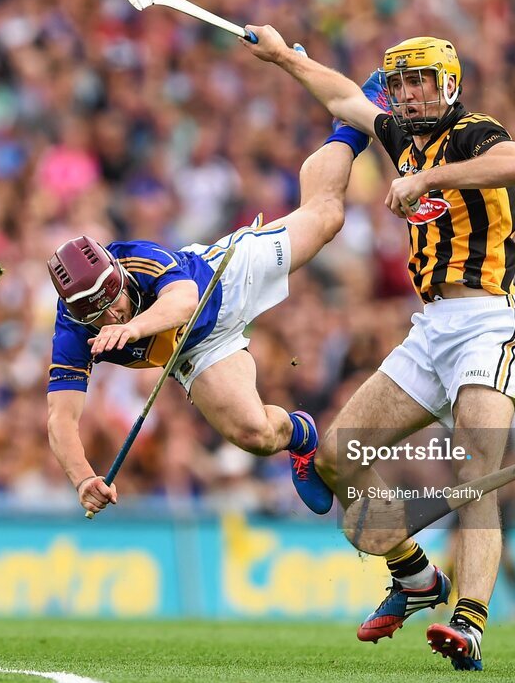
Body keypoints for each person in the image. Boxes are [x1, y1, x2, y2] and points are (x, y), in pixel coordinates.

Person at [243, 28, 515, 671]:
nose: (406, 93)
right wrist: (283, 56)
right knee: (337, 460)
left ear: (449, 84)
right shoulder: (401, 135)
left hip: (488, 322)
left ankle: (471, 622)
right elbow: (346, 98)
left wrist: (428, 176)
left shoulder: (471, 131)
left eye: (419, 81)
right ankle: (415, 578)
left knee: (476, 467)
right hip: (428, 330)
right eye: (399, 83)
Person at [46, 139, 354, 517]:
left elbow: (184, 301)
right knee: (254, 436)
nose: (112, 318)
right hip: (197, 349)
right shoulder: (72, 331)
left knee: (328, 218)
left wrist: (134, 328)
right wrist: (82, 478)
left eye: (115, 302)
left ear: (118, 276)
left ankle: (350, 129)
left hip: (227, 278)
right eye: (98, 315)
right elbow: (61, 417)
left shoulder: (136, 257)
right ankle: (301, 436)